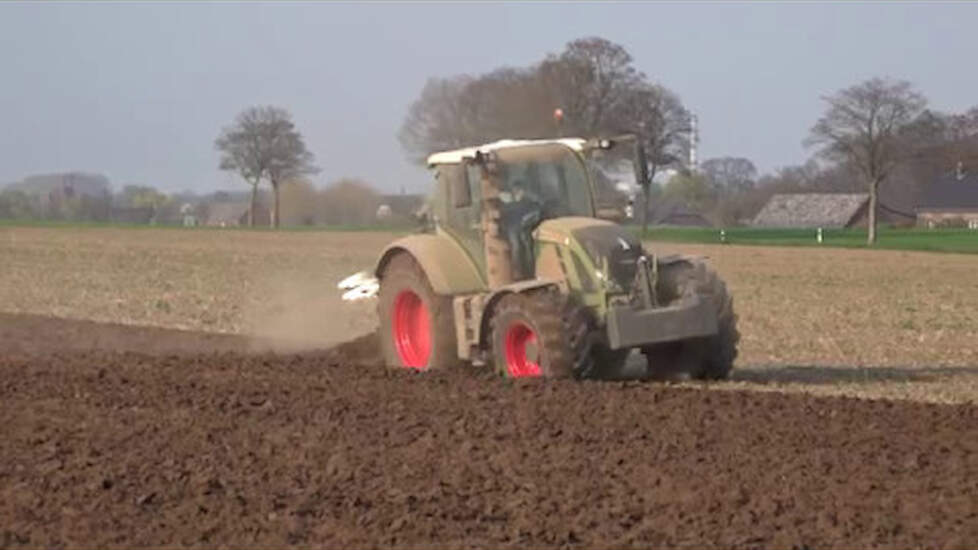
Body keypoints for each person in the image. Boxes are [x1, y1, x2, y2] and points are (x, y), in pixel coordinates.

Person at [499, 178, 541, 280]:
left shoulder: (529, 202)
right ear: (513, 190)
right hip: (513, 228)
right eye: (516, 190)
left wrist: (528, 220)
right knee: (516, 248)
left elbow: (536, 212)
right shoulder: (507, 202)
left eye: (520, 190)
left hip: (526, 229)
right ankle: (518, 273)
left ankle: (531, 271)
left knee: (528, 249)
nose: (519, 192)